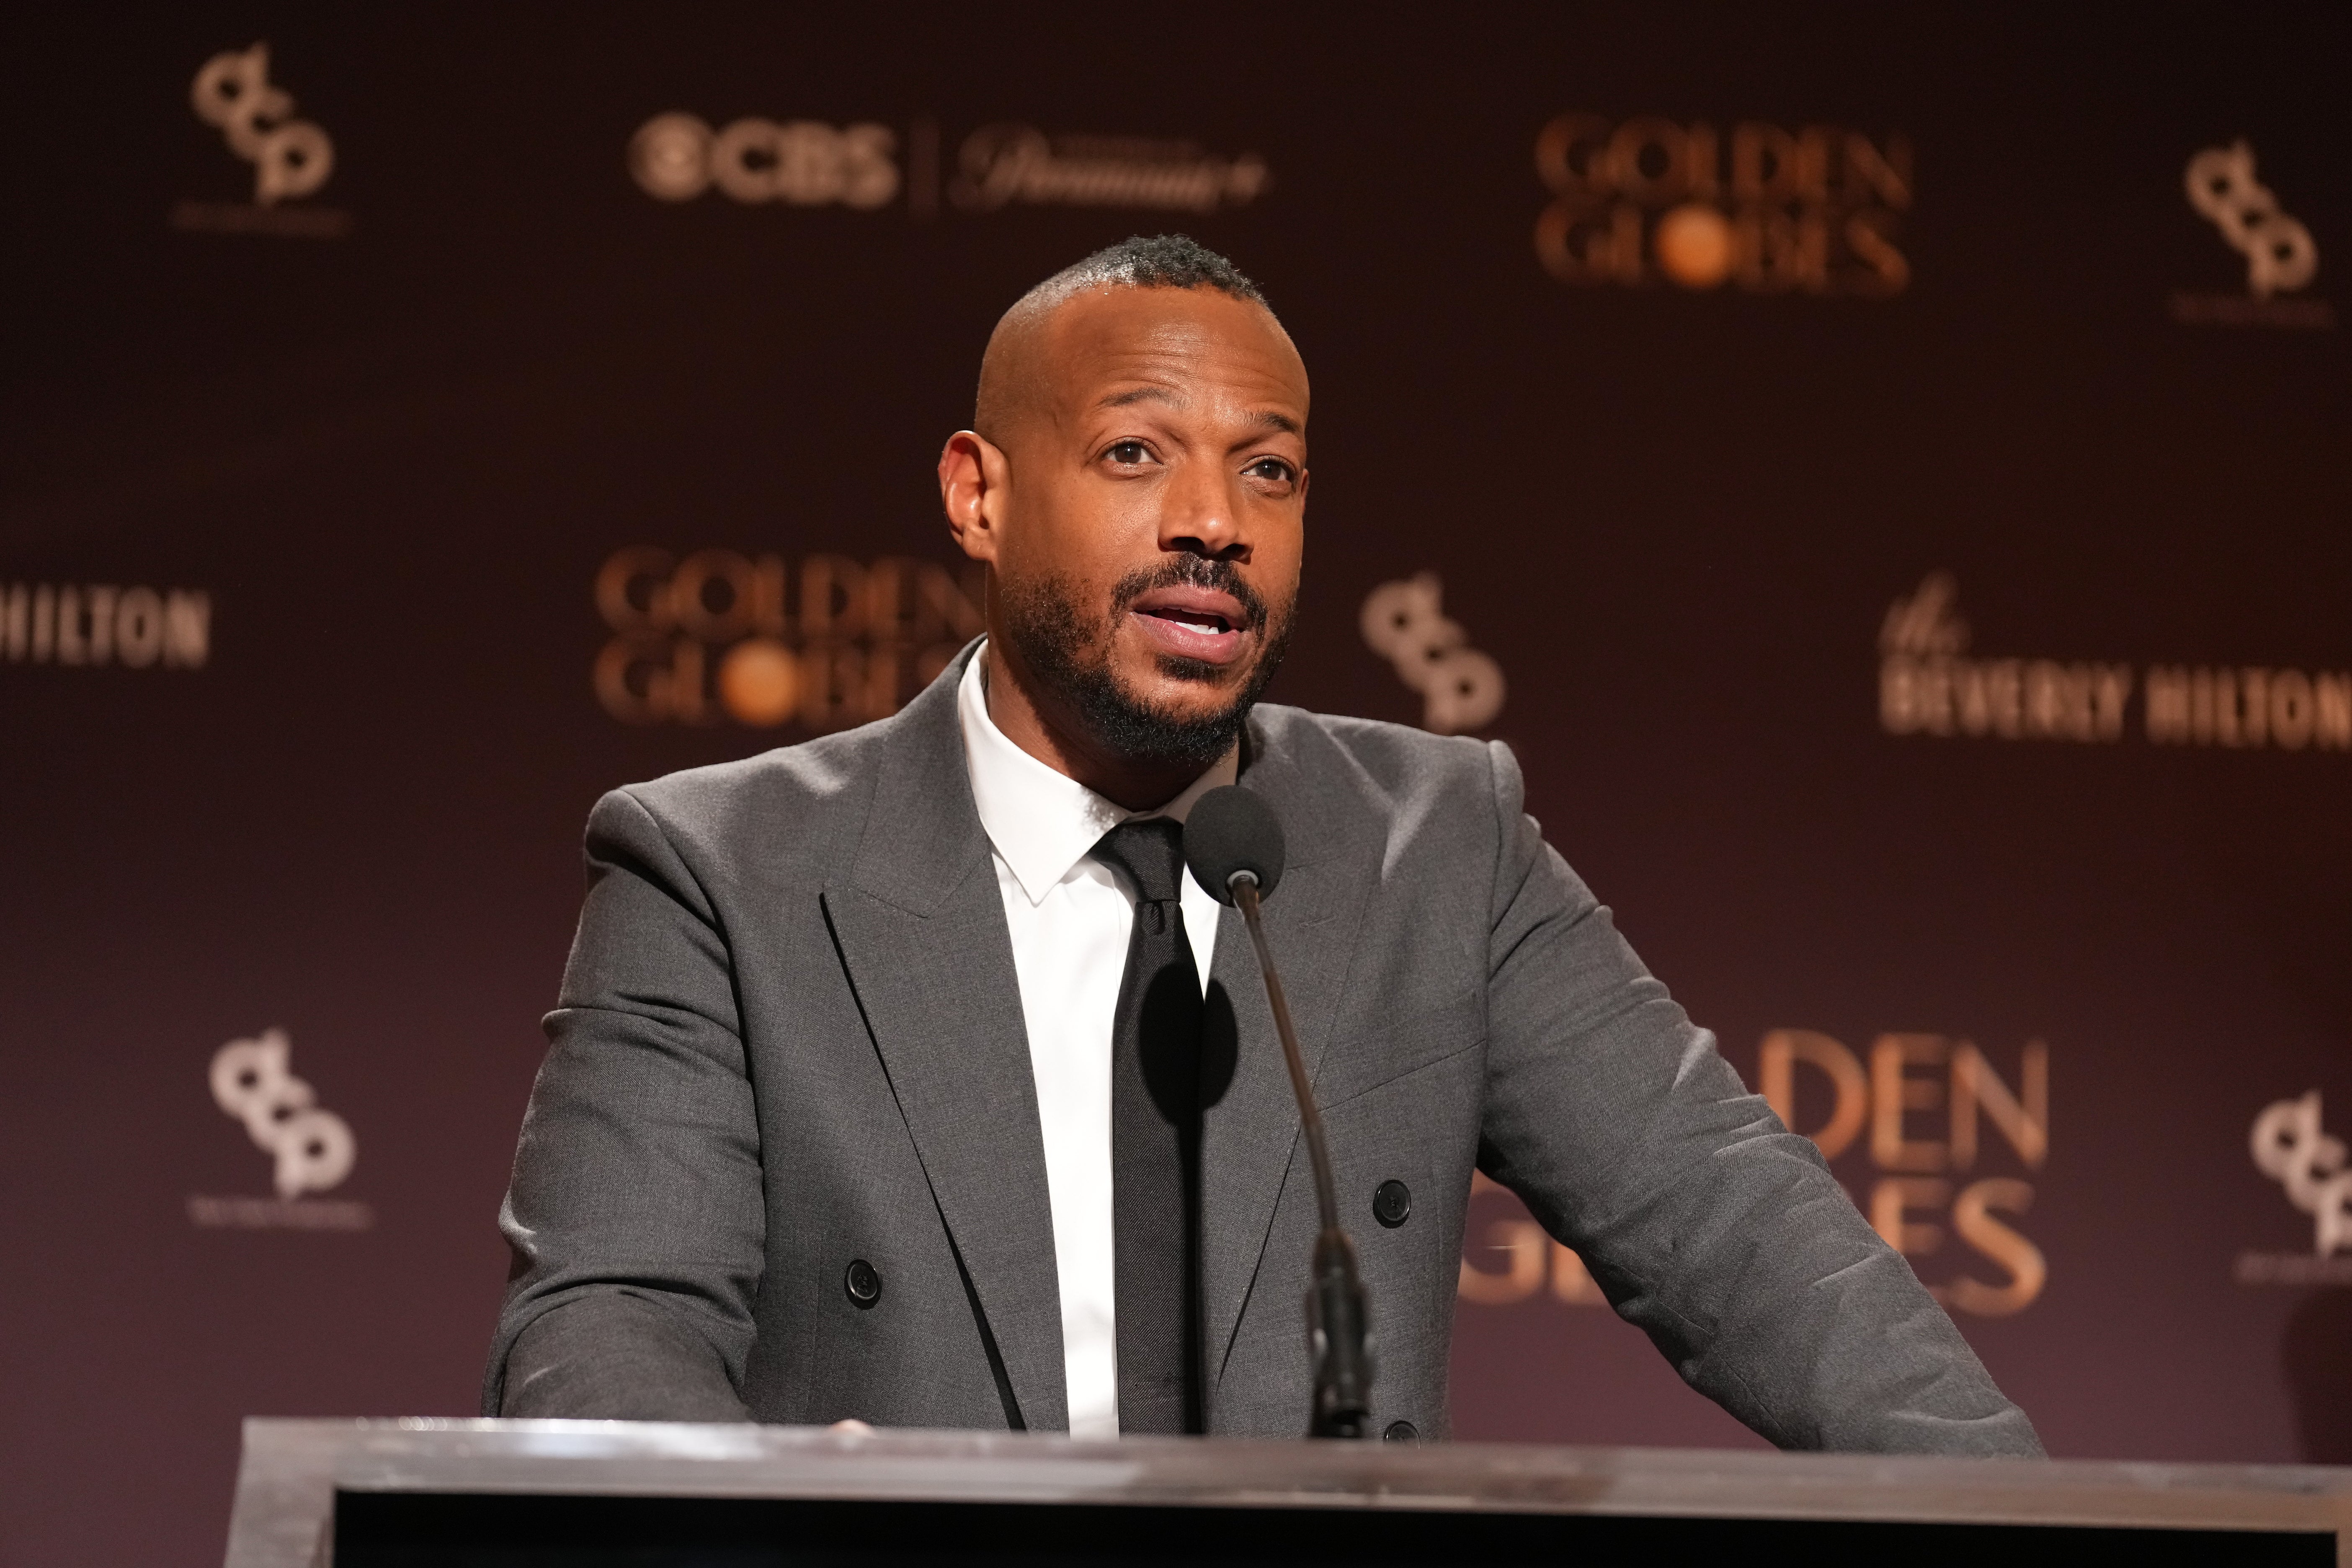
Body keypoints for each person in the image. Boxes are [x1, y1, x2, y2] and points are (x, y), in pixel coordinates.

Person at [485, 235, 2041, 1454]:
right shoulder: (721, 874)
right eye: (1135, 454)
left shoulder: (1434, 847)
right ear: (979, 494)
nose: (1215, 521)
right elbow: (610, 1335)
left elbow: (1738, 1230)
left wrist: (2062, 1535)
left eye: (1270, 469)